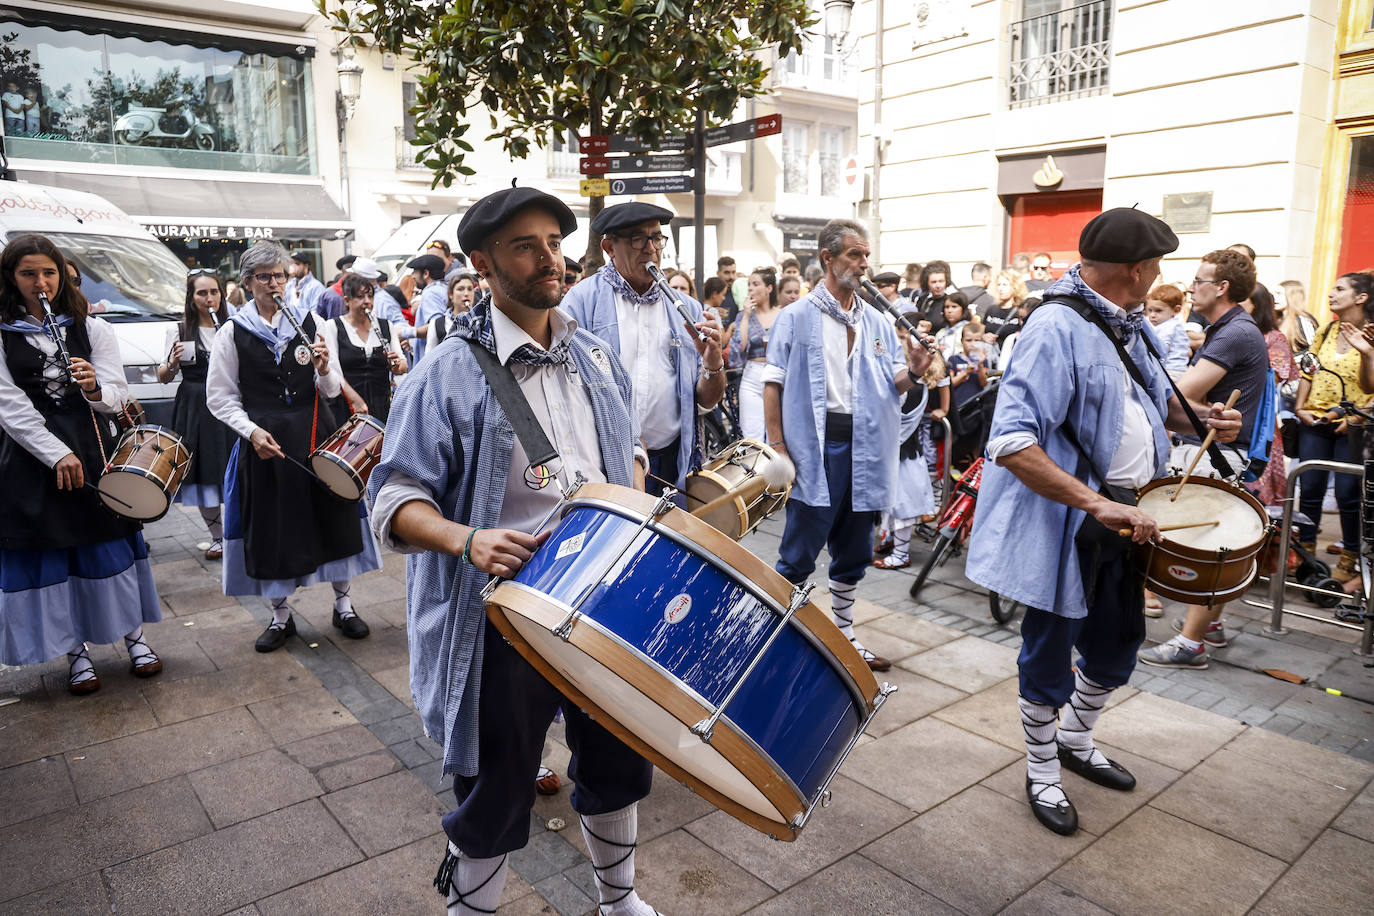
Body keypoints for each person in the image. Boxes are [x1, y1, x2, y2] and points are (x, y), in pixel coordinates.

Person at [368, 186, 662, 916]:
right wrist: (468, 540)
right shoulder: (446, 373)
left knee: (619, 757)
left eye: (554, 244)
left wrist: (630, 499)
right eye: (526, 246)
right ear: (483, 262)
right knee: (498, 781)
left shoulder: (594, 356)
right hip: (504, 614)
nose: (548, 259)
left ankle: (618, 900)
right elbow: (394, 497)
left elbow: (625, 453)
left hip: (603, 601)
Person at [966, 209, 1242, 836]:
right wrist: (1095, 503)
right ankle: (1041, 769)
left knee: (1118, 644)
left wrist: (1204, 417)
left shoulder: (1129, 322)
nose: (1160, 275)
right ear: (1137, 269)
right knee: (1049, 653)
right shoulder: (1053, 326)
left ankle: (1076, 739)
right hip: (1073, 524)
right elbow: (1010, 441)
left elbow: (1153, 403)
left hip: (1129, 516)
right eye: (1158, 265)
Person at [763, 219, 934, 672]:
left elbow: (892, 383)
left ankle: (843, 634)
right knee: (800, 548)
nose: (864, 264)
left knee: (855, 547)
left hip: (868, 447)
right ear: (827, 258)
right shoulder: (797, 316)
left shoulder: (877, 319)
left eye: (866, 255)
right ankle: (775, 639)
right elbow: (773, 382)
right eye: (855, 255)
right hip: (817, 447)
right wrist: (778, 446)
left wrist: (914, 370)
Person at [0, 233, 163, 694]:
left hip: (92, 448)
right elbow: (8, 405)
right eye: (28, 273)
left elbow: (117, 397)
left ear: (61, 274)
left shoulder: (92, 328)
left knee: (107, 542)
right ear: (12, 279)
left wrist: (94, 388)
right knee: (56, 548)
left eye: (48, 272)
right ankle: (76, 652)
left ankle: (135, 638)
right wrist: (55, 453)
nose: (40, 282)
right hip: (32, 456)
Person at [206, 241, 380, 652]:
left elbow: (333, 389)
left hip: (316, 432)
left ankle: (344, 605)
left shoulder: (313, 321)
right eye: (264, 277)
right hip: (266, 440)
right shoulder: (233, 332)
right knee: (274, 528)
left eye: (280, 275)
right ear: (248, 283)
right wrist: (250, 432)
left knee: (332, 520)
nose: (274, 284)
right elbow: (220, 397)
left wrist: (322, 369)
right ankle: (280, 616)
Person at [1137, 249, 1270, 668]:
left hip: (1218, 451)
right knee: (1214, 541)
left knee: (1211, 545)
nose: (1192, 287)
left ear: (1221, 287)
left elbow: (1183, 394)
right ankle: (1207, 624)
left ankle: (1190, 643)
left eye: (1199, 281)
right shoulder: (1227, 328)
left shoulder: (1234, 333)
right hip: (1218, 448)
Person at [562, 201, 725, 495]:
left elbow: (705, 402)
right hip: (606, 463)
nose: (651, 248)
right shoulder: (580, 302)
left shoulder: (686, 307)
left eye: (656, 238)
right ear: (609, 247)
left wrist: (713, 364)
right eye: (638, 239)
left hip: (670, 462)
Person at [1289, 273, 1374, 583]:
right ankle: (1307, 554)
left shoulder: (1371, 334)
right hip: (1315, 419)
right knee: (1309, 489)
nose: (1331, 293)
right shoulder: (1325, 331)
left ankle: (1351, 555)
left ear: (1361, 297)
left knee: (1347, 494)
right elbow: (1308, 369)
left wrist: (1357, 417)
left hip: (1354, 424)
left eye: (1340, 289)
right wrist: (1300, 407)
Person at [158, 269, 235, 559]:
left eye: (214, 291)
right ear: (191, 298)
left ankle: (240, 533)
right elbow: (164, 377)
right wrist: (172, 362)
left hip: (229, 404)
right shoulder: (179, 331)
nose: (209, 298)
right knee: (205, 471)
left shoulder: (232, 326)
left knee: (234, 468)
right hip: (195, 405)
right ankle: (218, 537)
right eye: (202, 293)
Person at [874, 309, 934, 571]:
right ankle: (890, 541)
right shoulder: (891, 373)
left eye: (904, 338)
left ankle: (901, 553)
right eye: (897, 337)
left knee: (903, 504)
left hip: (904, 454)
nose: (900, 344)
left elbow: (900, 420)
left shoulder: (917, 384)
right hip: (890, 453)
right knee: (889, 502)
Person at [321, 274, 408, 422]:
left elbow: (403, 364)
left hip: (382, 406)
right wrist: (355, 399)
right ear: (347, 300)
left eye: (370, 296)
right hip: (347, 406)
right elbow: (334, 370)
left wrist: (397, 366)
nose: (367, 302)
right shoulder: (333, 326)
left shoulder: (386, 326)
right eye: (360, 297)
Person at [1250, 284, 1299, 506]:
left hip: (1260, 417)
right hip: (1230, 412)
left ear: (1256, 306)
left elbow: (1278, 375)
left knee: (1258, 479)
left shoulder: (1274, 337)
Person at [727, 267, 780, 442]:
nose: (750, 288)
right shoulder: (744, 315)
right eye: (749, 284)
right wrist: (747, 316)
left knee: (777, 435)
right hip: (752, 375)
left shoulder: (782, 314)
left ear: (769, 288)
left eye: (756, 284)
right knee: (752, 437)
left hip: (777, 374)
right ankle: (755, 470)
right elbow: (739, 347)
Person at [408, 253, 450, 361]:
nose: (412, 276)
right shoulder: (444, 288)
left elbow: (436, 327)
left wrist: (405, 333)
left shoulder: (430, 293)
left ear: (426, 273)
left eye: (415, 272)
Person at [1144, 284, 1191, 375]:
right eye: (1150, 310)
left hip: (1170, 371)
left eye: (1158, 310)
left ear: (1176, 310)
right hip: (1179, 370)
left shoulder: (1168, 327)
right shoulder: (1176, 325)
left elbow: (1160, 349)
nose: (1152, 315)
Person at [284, 252, 326, 317]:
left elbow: (315, 315)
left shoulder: (316, 287)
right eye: (292, 264)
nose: (293, 267)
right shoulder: (289, 285)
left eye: (297, 264)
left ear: (306, 266)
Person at [933, 292, 972, 359]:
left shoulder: (969, 329)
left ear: (963, 309)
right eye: (947, 307)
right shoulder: (941, 333)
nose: (949, 311)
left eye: (954, 307)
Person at [716, 256, 739, 325]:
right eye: (726, 272)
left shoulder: (740, 293)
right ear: (718, 273)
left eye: (733, 272)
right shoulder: (710, 293)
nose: (731, 277)